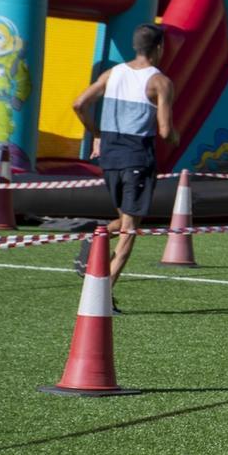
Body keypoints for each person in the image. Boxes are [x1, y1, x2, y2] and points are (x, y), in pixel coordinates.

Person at [71, 24, 179, 308]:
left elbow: (79, 103)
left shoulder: (112, 73)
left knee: (128, 221)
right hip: (136, 158)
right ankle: (101, 297)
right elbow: (166, 131)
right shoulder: (159, 82)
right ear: (159, 48)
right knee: (131, 230)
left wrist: (95, 133)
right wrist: (177, 137)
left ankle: (96, 240)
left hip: (109, 156)